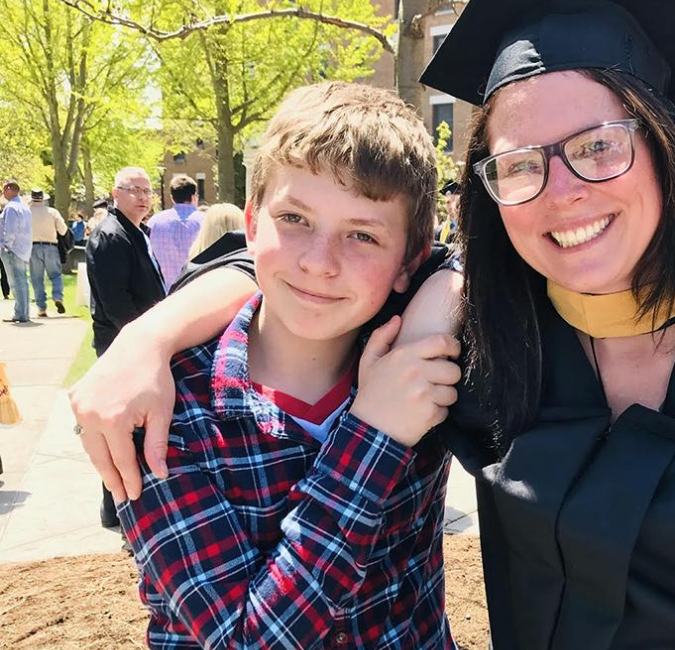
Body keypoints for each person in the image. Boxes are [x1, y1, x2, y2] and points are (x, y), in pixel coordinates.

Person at [72, 0, 675, 647]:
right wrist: (149, 336)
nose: (561, 191)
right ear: (490, 194)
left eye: (599, 146)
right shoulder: (490, 355)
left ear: (667, 151)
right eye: (520, 163)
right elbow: (313, 269)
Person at [89, 83, 461, 650]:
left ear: (409, 259)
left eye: (362, 234)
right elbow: (250, 641)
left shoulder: (422, 355)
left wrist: (450, 286)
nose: (320, 263)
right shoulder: (165, 408)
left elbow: (495, 253)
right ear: (253, 224)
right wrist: (376, 435)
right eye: (295, 218)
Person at [86, 167, 167, 529]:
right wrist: (146, 342)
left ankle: (120, 505)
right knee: (118, 428)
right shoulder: (110, 236)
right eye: (133, 189)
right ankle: (115, 508)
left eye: (147, 190)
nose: (142, 196)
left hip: (138, 342)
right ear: (115, 193)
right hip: (123, 347)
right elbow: (115, 302)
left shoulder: (136, 232)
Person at [147, 174, 204, 289]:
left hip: (165, 292)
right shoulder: (206, 221)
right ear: (194, 197)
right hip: (198, 288)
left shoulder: (154, 223)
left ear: (172, 198)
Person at [28, 188, 68, 316]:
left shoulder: (27, 212)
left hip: (33, 247)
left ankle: (42, 307)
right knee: (55, 275)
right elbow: (63, 230)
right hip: (50, 246)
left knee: (37, 278)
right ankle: (57, 297)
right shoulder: (52, 212)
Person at [0, 180, 33, 323]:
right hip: (23, 248)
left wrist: (6, 245)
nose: (2, 193)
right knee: (22, 281)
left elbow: (10, 230)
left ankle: (20, 313)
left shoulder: (11, 207)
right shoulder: (24, 206)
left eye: (3, 190)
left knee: (15, 281)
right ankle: (23, 312)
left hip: (13, 249)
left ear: (8, 189)